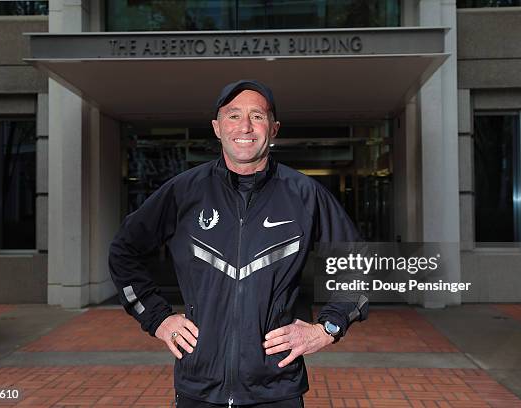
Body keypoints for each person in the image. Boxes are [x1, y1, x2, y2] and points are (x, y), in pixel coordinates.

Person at [109, 80, 368, 407]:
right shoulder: (184, 192)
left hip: (277, 389)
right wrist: (157, 318)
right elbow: (123, 251)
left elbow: (362, 264)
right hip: (198, 388)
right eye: (233, 116)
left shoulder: (304, 195)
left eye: (257, 116)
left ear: (273, 129)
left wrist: (328, 328)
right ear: (217, 128)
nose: (245, 126)